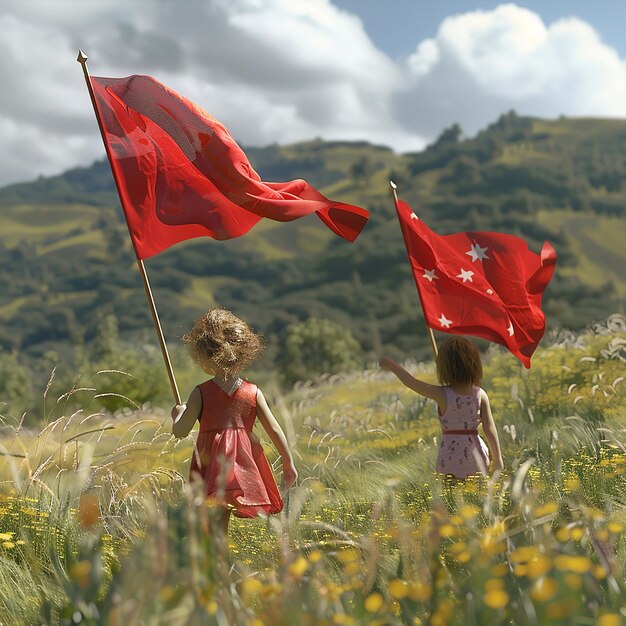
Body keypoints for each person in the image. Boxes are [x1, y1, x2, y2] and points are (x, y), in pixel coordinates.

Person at [170, 307, 297, 531]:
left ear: (204, 354)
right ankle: (218, 559)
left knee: (212, 522)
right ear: (243, 351)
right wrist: (288, 462)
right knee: (218, 521)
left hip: (211, 465)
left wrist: (178, 413)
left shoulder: (201, 392)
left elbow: (180, 431)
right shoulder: (253, 392)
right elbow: (274, 430)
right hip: (244, 467)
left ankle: (216, 561)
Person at [379, 337, 504, 480]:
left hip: (449, 458)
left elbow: (412, 383)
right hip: (476, 456)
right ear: (474, 364)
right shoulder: (480, 394)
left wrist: (392, 366)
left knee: (450, 498)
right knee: (478, 495)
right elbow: (489, 429)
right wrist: (498, 459)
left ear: (444, 368)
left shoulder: (442, 394)